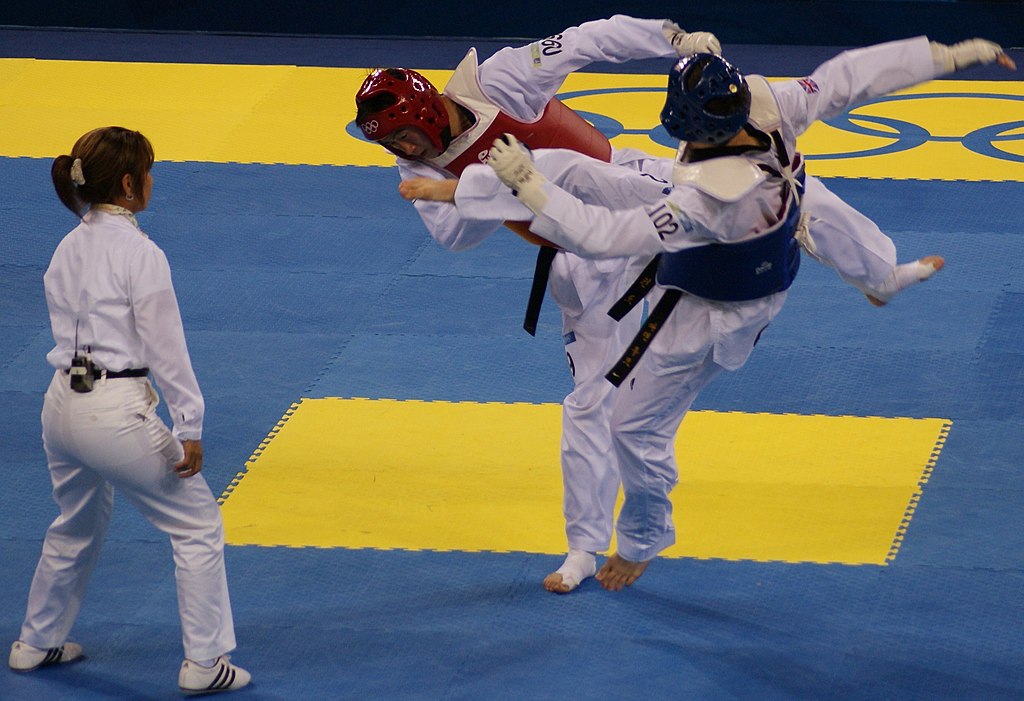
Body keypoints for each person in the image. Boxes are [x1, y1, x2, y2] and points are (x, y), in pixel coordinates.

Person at [453, 37, 1015, 590]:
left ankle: (643, 539)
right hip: (774, 237)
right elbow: (849, 76)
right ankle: (880, 279)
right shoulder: (770, 105)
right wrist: (946, 56)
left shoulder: (709, 198)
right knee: (808, 198)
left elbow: (601, 237)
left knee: (631, 426)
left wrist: (529, 186)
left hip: (715, 309)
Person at [355, 14, 722, 594]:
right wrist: (476, 186)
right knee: (590, 404)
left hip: (629, 191)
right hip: (582, 256)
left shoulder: (496, 82)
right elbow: (453, 237)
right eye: (388, 145)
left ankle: (794, 225)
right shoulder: (417, 163)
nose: (398, 151)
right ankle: (584, 546)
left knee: (739, 194)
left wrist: (669, 39)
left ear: (424, 112)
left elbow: (584, 41)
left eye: (401, 137)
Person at [8, 126, 251, 694]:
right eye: (148, 170)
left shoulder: (67, 245)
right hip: (115, 413)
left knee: (76, 523)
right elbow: (167, 347)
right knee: (196, 526)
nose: (152, 179)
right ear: (128, 183)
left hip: (60, 407)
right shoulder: (140, 253)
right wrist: (189, 422)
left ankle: (35, 642)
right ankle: (205, 662)